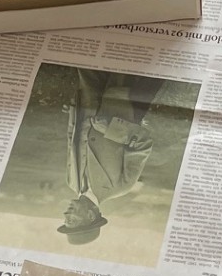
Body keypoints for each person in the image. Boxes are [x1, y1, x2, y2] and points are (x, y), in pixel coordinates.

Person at [58, 71, 157, 247]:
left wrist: (74, 111)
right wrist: (110, 129)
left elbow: (71, 140)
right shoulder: (121, 187)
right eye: (72, 220)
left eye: (65, 220)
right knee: (124, 62)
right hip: (119, 99)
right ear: (90, 216)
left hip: (86, 102)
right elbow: (143, 143)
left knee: (88, 62)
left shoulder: (71, 182)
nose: (66, 215)